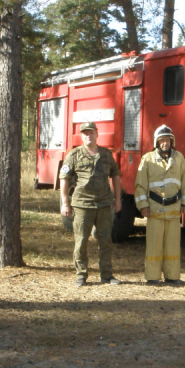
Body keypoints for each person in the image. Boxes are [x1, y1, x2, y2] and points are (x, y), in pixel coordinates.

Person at [60, 121, 123, 287]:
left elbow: (116, 175)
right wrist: (65, 203)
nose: (89, 135)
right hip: (82, 205)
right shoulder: (73, 155)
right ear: (81, 136)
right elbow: (64, 179)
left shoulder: (106, 155)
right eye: (85, 133)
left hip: (103, 205)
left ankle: (107, 275)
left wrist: (117, 199)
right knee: (81, 242)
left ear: (97, 133)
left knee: (105, 241)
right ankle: (81, 275)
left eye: (91, 132)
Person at [135, 125, 185, 286]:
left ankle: (172, 276)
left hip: (174, 210)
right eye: (162, 140)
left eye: (167, 140)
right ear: (157, 142)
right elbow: (140, 185)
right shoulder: (147, 159)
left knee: (172, 246)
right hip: (154, 209)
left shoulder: (179, 158)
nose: (165, 143)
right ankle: (152, 277)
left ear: (171, 141)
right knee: (154, 245)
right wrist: (143, 205)